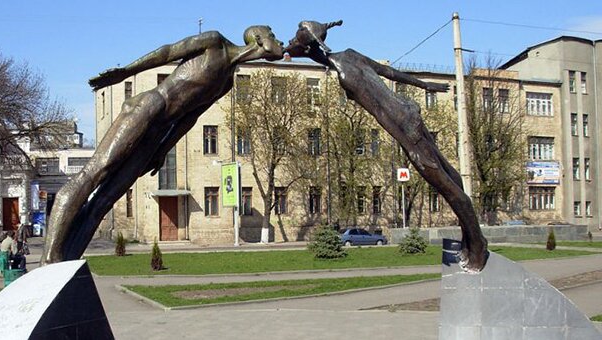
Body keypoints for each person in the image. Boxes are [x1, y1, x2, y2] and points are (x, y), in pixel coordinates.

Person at [42, 25, 284, 264]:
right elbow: (167, 52)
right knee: (93, 173)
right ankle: (50, 257)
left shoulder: (227, 82)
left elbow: (190, 118)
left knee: (106, 199)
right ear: (259, 39)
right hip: (148, 108)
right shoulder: (214, 41)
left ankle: (66, 261)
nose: (280, 42)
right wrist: (126, 72)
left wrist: (163, 149)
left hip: (157, 132)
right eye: (274, 36)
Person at [285, 20, 488, 272]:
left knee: (445, 184)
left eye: (295, 40)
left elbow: (380, 113)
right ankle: (469, 237)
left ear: (309, 47)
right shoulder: (350, 55)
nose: (290, 43)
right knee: (450, 173)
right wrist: (423, 85)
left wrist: (407, 145)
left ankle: (477, 244)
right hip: (408, 110)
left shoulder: (345, 75)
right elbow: (388, 72)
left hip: (404, 126)